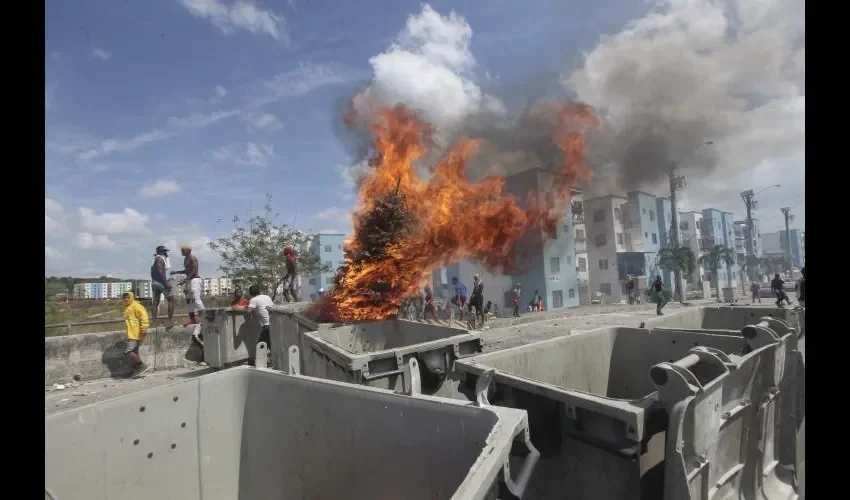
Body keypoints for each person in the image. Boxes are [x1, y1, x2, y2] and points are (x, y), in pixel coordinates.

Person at [232, 285, 275, 366]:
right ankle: (271, 362)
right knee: (268, 345)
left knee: (260, 345)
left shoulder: (254, 300)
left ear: (250, 293)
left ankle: (259, 363)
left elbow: (248, 311)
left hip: (266, 325)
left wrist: (236, 308)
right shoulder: (267, 297)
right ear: (260, 291)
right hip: (273, 323)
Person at [122, 292, 150, 378]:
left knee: (128, 351)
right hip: (131, 333)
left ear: (132, 297)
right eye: (124, 298)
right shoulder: (126, 307)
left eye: (128, 297)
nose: (126, 299)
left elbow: (144, 317)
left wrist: (144, 328)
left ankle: (141, 365)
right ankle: (136, 370)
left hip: (136, 333)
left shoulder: (137, 306)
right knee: (135, 352)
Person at [173, 244, 205, 320]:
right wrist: (176, 272)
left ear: (188, 250)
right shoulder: (186, 259)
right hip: (189, 280)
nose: (181, 252)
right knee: (189, 301)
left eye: (183, 250)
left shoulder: (192, 258)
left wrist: (184, 280)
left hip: (195, 280)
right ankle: (192, 319)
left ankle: (205, 316)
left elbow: (194, 270)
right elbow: (187, 270)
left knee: (196, 300)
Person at [150, 245, 174, 328]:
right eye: (165, 251)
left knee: (156, 302)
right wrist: (166, 282)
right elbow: (160, 270)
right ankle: (170, 321)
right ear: (161, 252)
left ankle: (154, 322)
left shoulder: (155, 258)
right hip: (161, 283)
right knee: (171, 299)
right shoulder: (160, 259)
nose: (166, 253)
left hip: (154, 282)